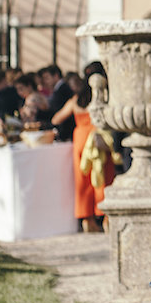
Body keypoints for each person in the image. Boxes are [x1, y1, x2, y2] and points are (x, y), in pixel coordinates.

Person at [51, 61, 118, 232]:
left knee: (83, 180)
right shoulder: (104, 97)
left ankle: (87, 219)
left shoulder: (75, 99)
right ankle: (105, 217)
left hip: (80, 138)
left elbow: (56, 119)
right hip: (97, 138)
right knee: (103, 178)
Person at [38, 64, 76, 142]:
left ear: (56, 76)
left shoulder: (62, 90)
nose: (45, 81)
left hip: (65, 132)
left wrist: (40, 113)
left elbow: (58, 111)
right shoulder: (59, 89)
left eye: (47, 78)